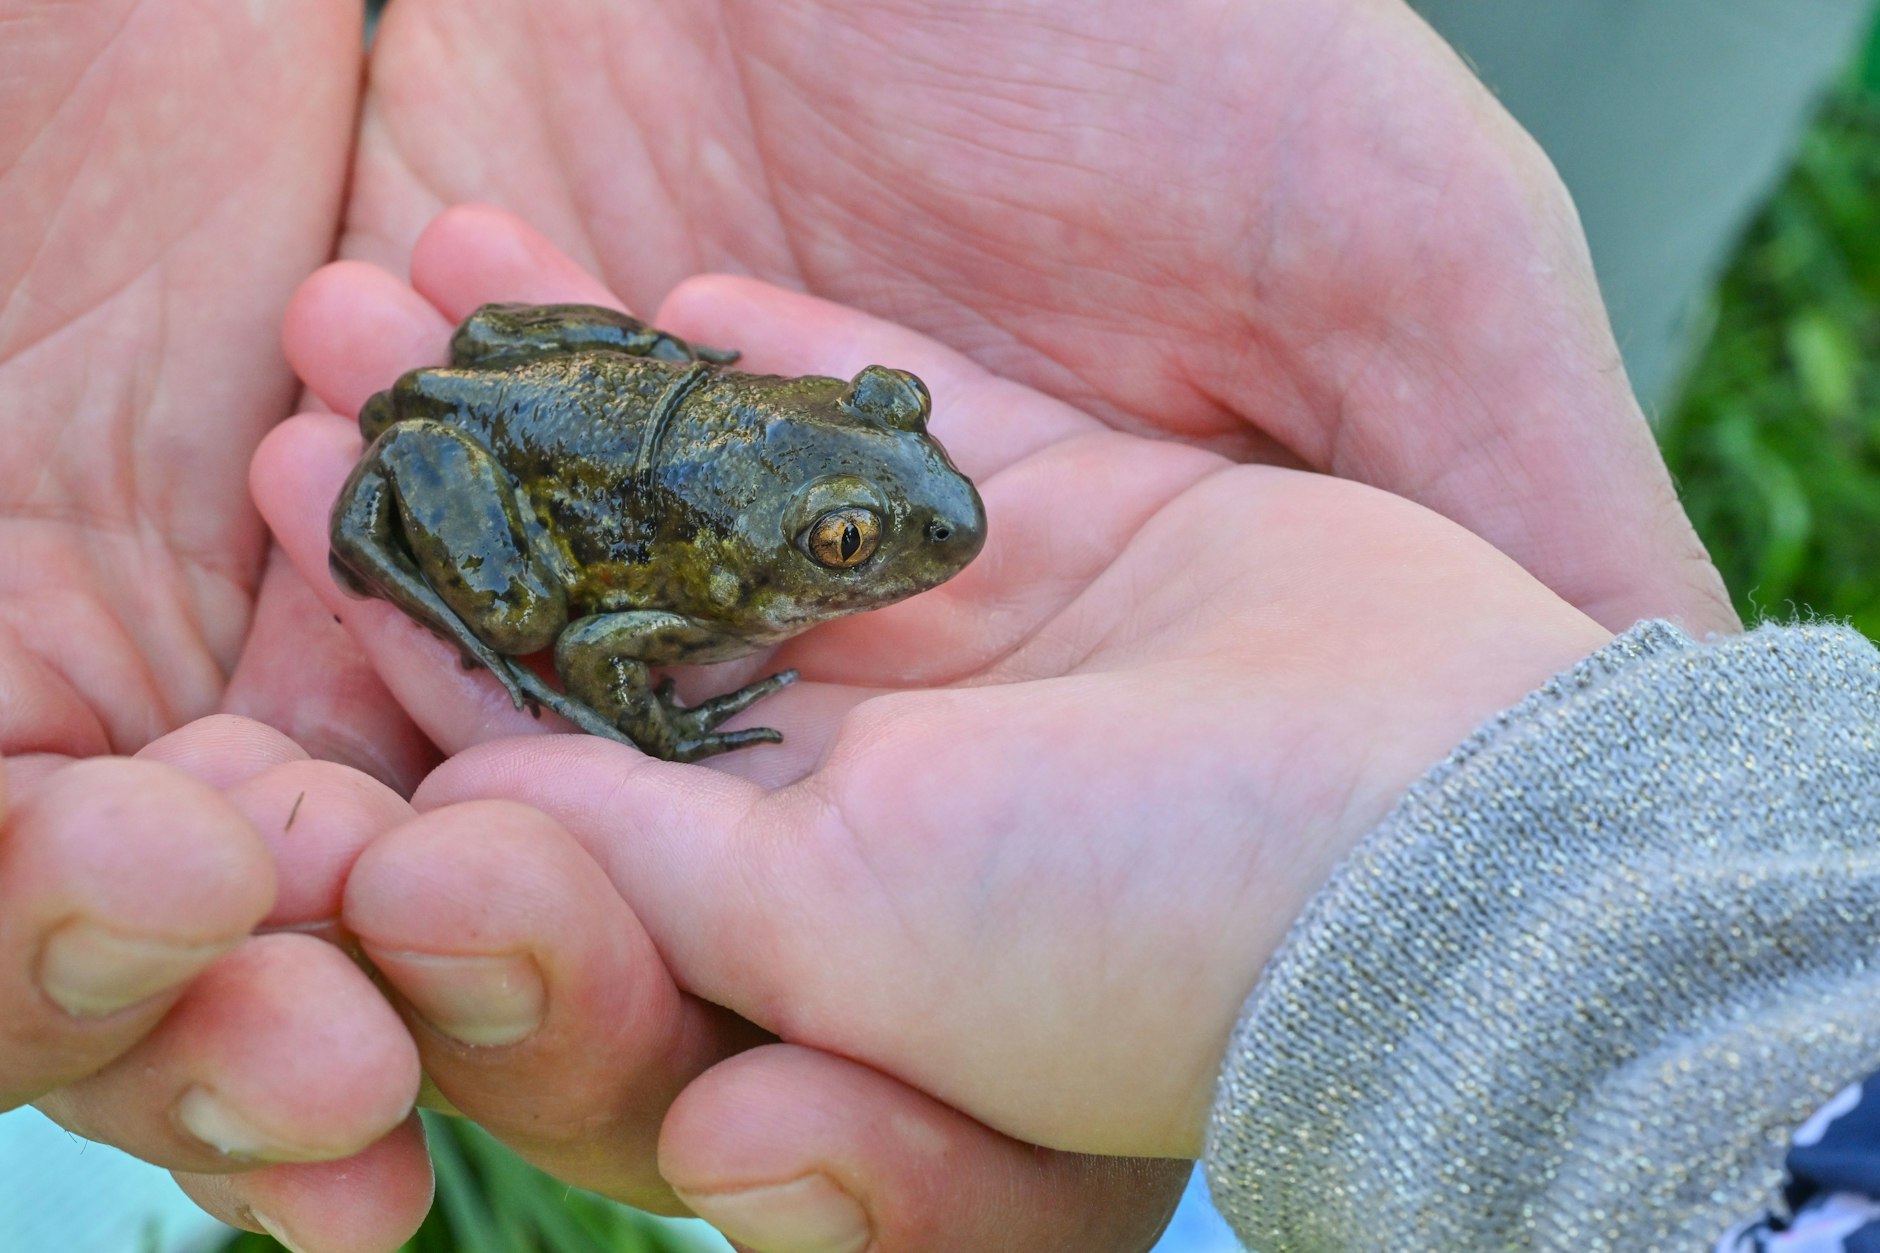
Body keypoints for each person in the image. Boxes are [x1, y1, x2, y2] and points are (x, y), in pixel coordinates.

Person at [4, 0, 1835, 1249]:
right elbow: (613, 632)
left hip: (627, 403)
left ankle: (1258, 1118)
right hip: (546, 462)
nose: (921, 534)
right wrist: (625, 706)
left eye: (879, 470)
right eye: (857, 535)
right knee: (509, 611)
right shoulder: (679, 586)